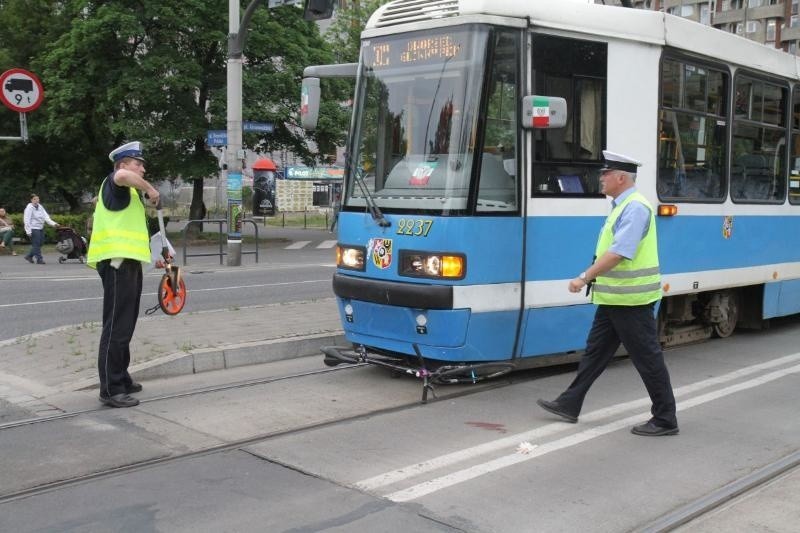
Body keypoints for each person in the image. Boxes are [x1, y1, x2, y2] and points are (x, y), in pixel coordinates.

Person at [537, 150, 679, 437]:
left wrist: (584, 277)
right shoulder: (620, 206)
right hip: (613, 298)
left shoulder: (635, 207)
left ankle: (665, 418)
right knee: (595, 354)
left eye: (605, 174)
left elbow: (618, 253)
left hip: (630, 300)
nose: (600, 178)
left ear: (621, 177)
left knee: (648, 359)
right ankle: (570, 403)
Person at [87, 141, 160, 408]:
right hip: (116, 263)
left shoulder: (128, 195)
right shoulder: (116, 181)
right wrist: (151, 189)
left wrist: (155, 257)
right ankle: (110, 388)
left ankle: (122, 377)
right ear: (123, 163)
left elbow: (132, 233)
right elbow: (121, 175)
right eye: (137, 163)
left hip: (128, 263)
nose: (142, 167)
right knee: (116, 325)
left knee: (125, 324)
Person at [23, 194, 58, 264]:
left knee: (41, 243)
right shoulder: (29, 208)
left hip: (40, 227)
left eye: (37, 199)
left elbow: (46, 217)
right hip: (33, 228)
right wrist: (28, 231)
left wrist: (54, 224)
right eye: (35, 199)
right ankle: (39, 259)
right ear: (31, 200)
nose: (36, 200)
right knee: (36, 244)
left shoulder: (40, 206)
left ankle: (29, 256)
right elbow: (26, 220)